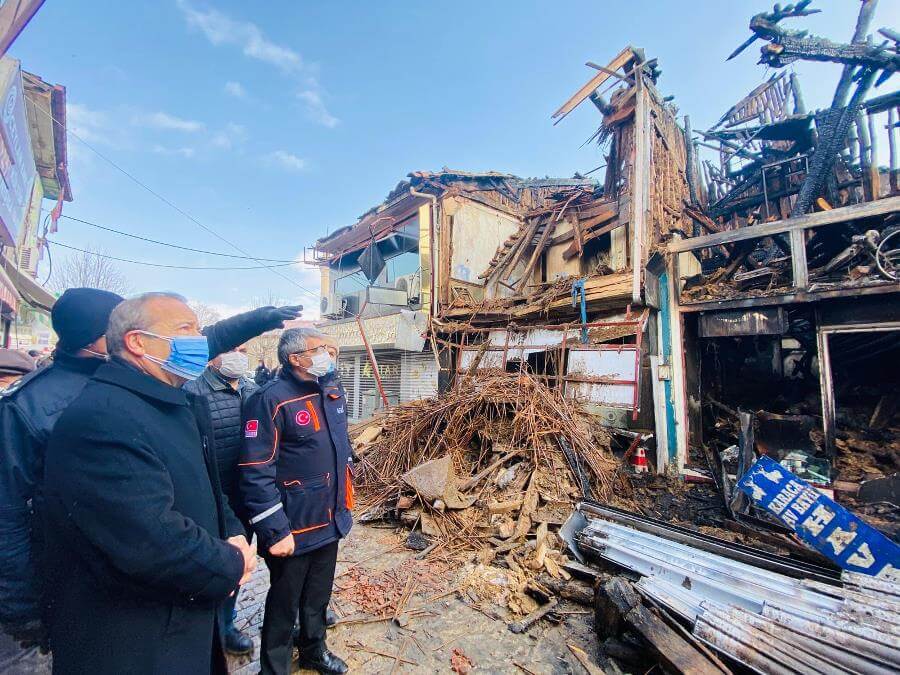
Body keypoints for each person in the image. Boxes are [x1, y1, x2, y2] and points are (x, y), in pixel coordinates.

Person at [0, 287, 302, 672]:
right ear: (134, 341)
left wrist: (230, 528)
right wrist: (25, 612)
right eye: (187, 330)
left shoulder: (170, 397)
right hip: (124, 621)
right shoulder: (91, 414)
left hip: (186, 605)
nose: (200, 341)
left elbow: (202, 482)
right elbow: (144, 535)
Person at [240, 328, 353, 675]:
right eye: (320, 349)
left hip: (330, 517)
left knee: (318, 597)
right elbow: (255, 469)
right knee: (283, 603)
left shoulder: (331, 390)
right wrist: (275, 531)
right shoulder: (270, 399)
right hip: (293, 525)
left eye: (329, 348)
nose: (329, 355)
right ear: (296, 359)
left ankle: (313, 651)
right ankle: (273, 667)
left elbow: (339, 449)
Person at [184, 346, 258, 655]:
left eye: (243, 349)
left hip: (247, 495)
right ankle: (202, 632)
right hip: (209, 497)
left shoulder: (254, 390)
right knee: (206, 565)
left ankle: (226, 626)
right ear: (212, 355)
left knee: (236, 563)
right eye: (230, 349)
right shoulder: (192, 391)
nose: (237, 355)